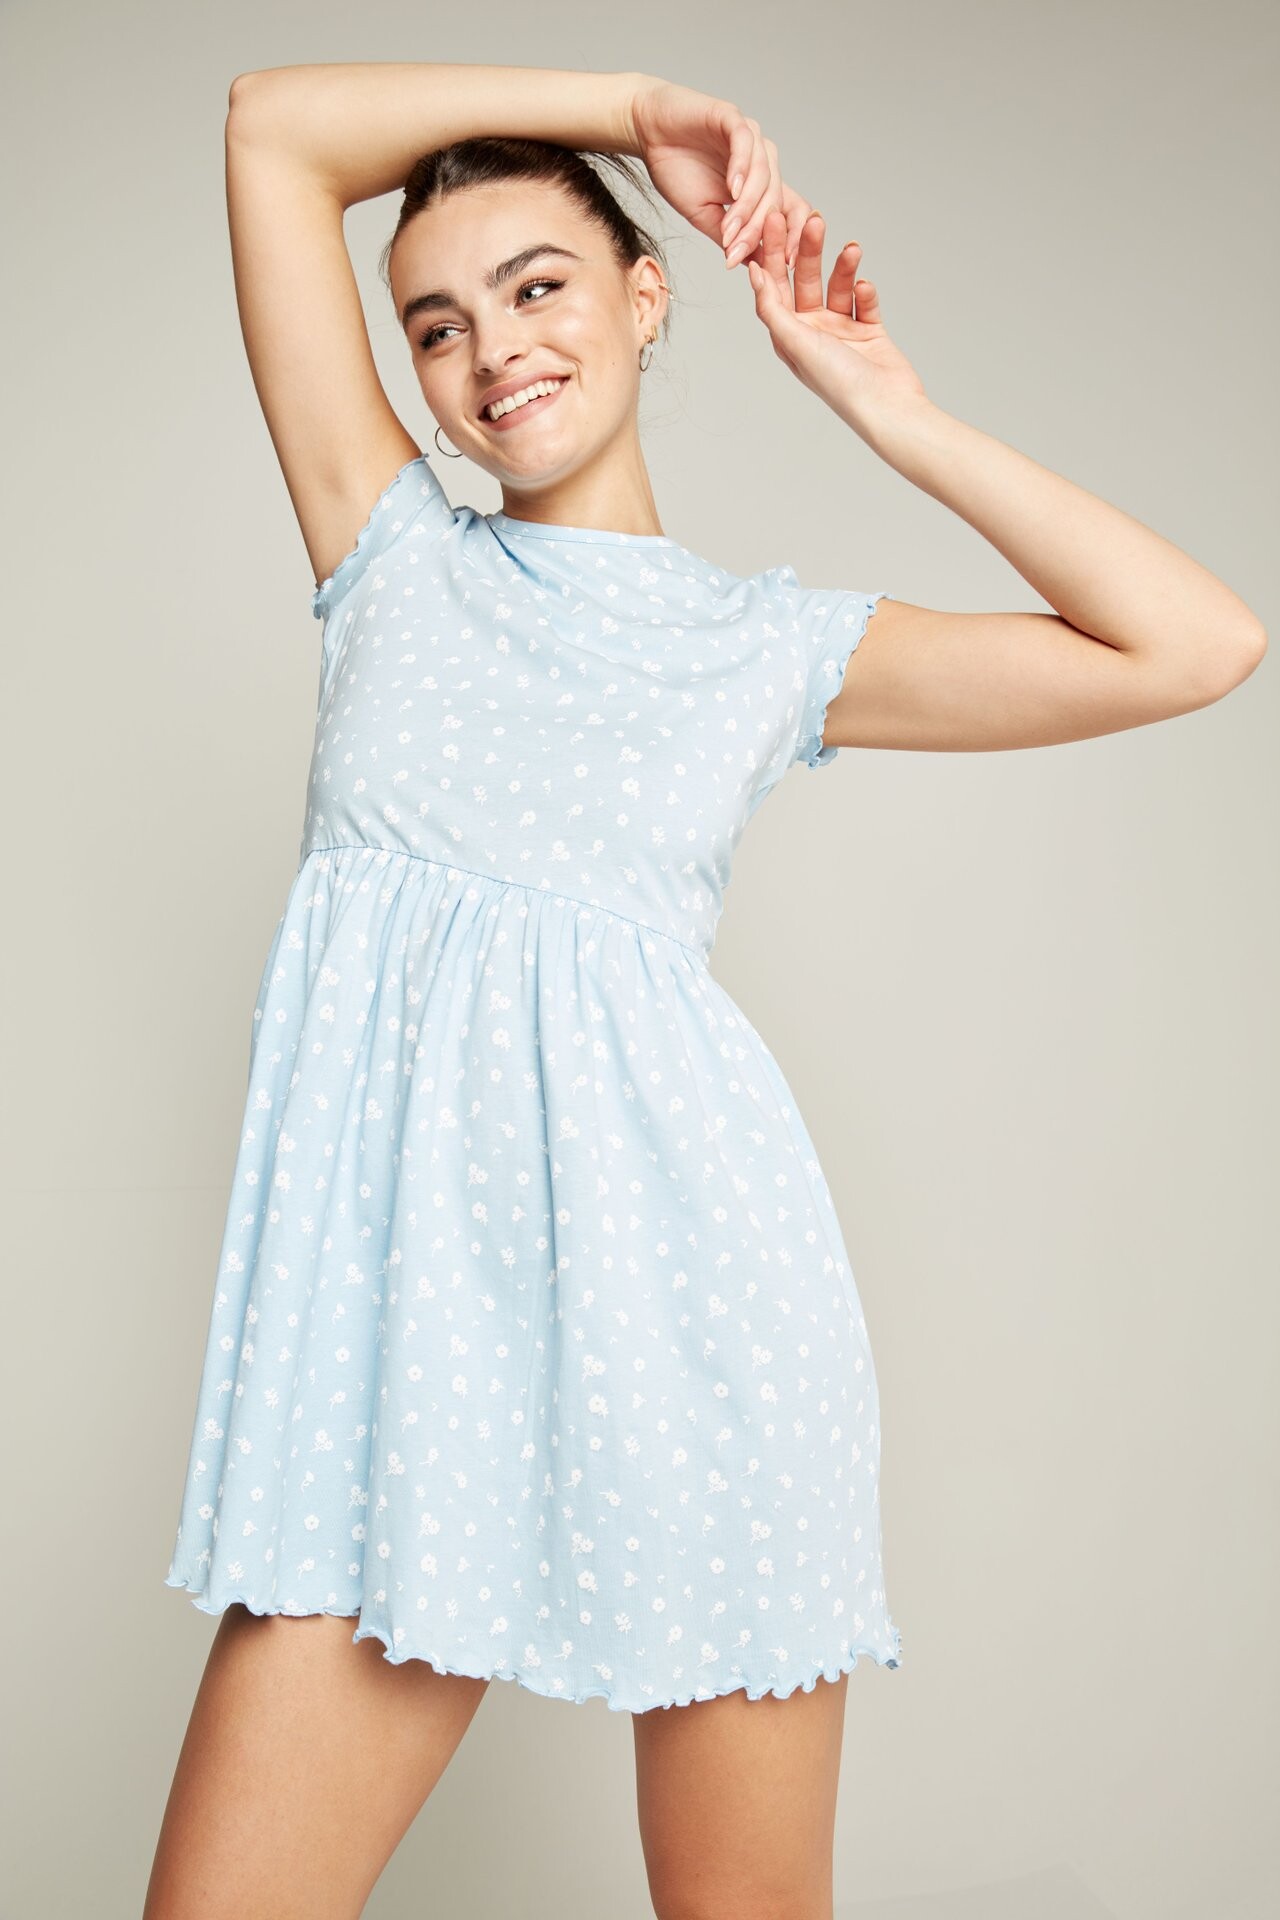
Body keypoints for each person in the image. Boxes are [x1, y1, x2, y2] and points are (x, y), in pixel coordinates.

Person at [144, 62, 1265, 1920]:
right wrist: (631, 105)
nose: (491, 350)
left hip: (701, 1327)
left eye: (540, 285)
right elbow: (272, 128)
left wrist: (890, 409)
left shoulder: (765, 649)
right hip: (395, 1372)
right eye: (437, 323)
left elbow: (1198, 642)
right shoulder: (388, 552)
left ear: (647, 297)